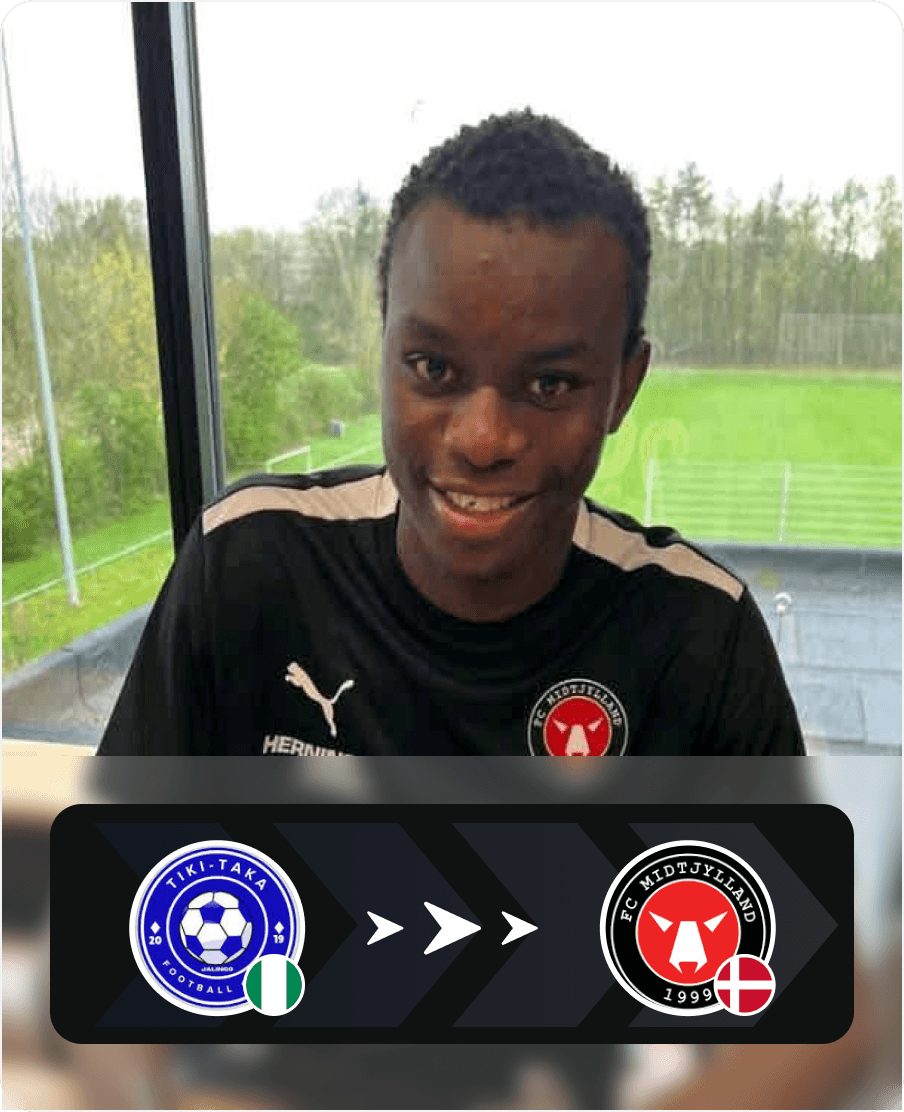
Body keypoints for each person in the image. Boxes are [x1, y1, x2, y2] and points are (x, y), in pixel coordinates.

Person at [97, 108, 805, 756]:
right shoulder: (245, 565)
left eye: (550, 384)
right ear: (382, 353)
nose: (484, 438)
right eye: (434, 367)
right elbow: (119, 876)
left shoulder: (704, 641)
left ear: (625, 387)